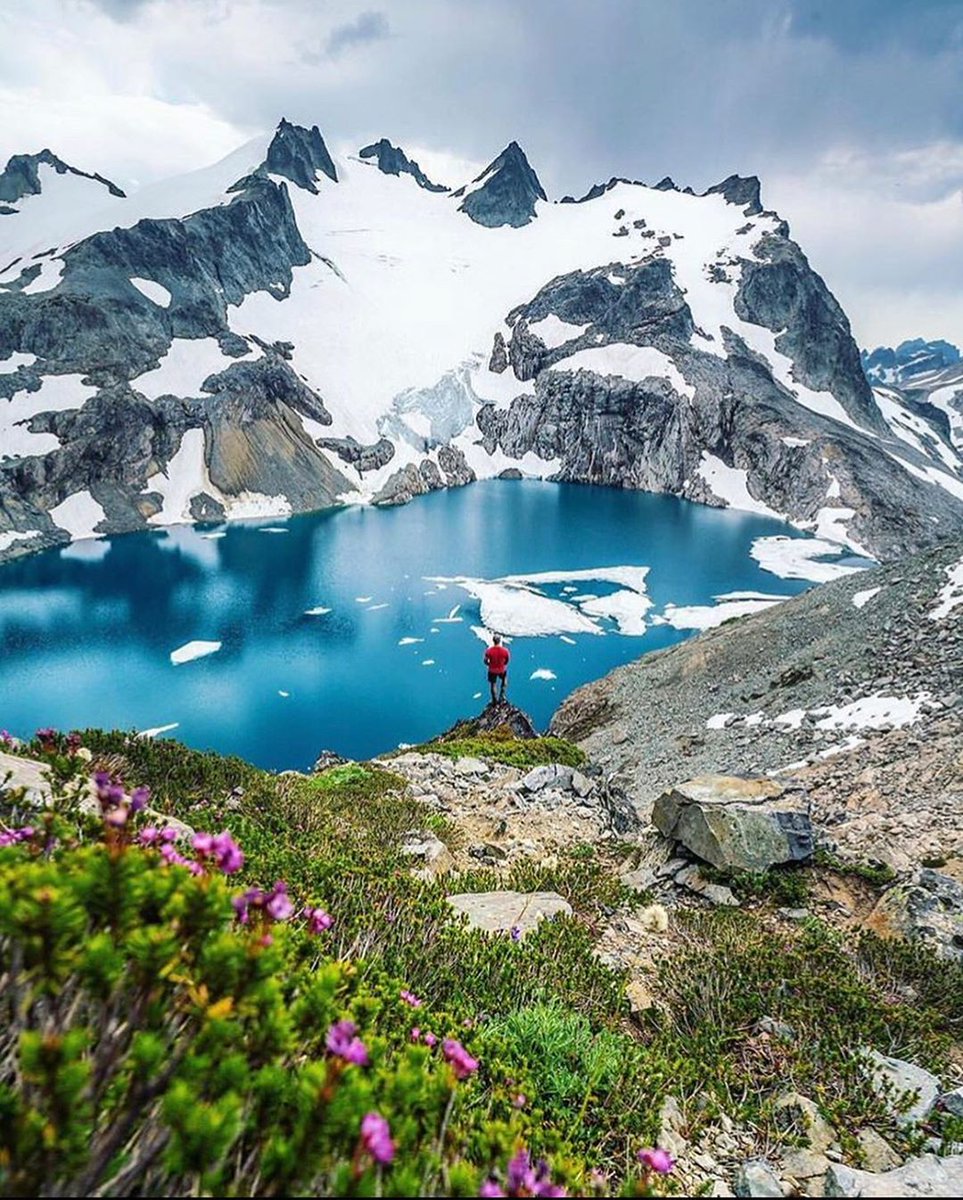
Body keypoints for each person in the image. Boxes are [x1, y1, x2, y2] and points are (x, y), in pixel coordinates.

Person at [483, 633, 510, 704]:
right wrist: (503, 665)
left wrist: (489, 665)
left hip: (492, 670)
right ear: (500, 641)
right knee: (504, 679)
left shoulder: (489, 651)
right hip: (502, 669)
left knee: (493, 684)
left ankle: (494, 700)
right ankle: (502, 695)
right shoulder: (505, 651)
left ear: (493, 641)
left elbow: (485, 661)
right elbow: (507, 660)